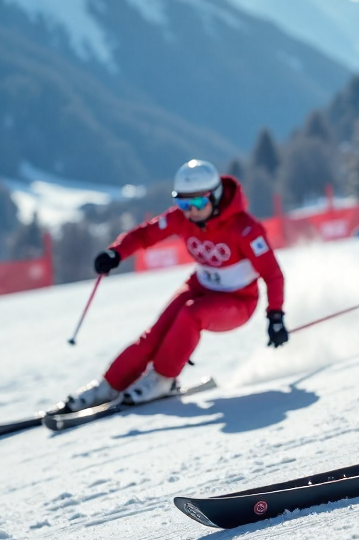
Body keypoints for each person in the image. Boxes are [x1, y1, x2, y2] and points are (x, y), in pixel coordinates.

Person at [61, 159, 288, 411]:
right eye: (182, 203)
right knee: (155, 333)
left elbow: (273, 274)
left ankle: (163, 379)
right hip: (201, 287)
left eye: (198, 203)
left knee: (192, 314)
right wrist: (116, 253)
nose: (190, 210)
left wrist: (275, 315)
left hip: (238, 301)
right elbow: (146, 234)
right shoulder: (182, 219)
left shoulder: (245, 228)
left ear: (215, 196)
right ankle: (108, 386)